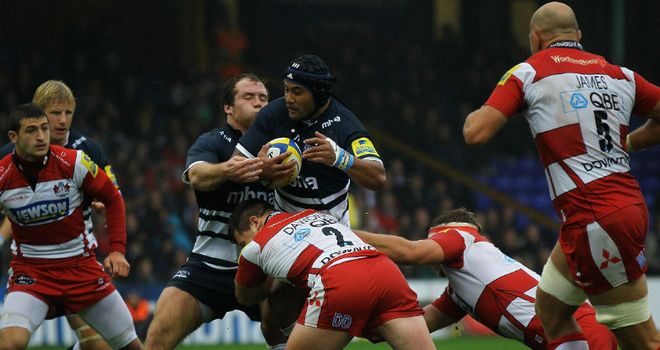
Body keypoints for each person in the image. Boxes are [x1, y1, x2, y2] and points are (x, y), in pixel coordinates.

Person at [462, 2, 660, 349]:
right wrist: (627, 141)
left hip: (595, 219)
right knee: (551, 309)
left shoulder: (530, 72)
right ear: (579, 36)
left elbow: (475, 133)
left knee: (641, 341)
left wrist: (491, 99)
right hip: (620, 206)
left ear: (536, 39)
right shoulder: (620, 75)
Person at [145, 74, 294, 350]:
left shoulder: (283, 148)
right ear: (228, 107)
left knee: (287, 337)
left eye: (263, 98)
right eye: (248, 97)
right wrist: (230, 169)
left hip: (266, 267)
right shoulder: (213, 142)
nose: (258, 103)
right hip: (207, 267)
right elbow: (198, 176)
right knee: (156, 338)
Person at [355, 208, 618, 350]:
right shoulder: (459, 292)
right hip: (576, 332)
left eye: (432, 239)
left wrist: (344, 233)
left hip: (578, 334)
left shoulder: (460, 238)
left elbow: (408, 252)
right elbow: (410, 329)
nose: (432, 246)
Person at [0, 103, 141, 350]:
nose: (41, 136)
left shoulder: (74, 161)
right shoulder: (2, 174)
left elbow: (113, 197)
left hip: (81, 269)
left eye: (44, 128)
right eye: (32, 130)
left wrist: (117, 250)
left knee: (130, 347)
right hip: (31, 273)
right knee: (10, 344)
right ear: (14, 137)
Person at [229, 198, 435, 350]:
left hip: (340, 280)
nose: (243, 247)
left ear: (255, 222)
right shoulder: (317, 215)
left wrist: (276, 280)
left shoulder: (254, 248)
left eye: (242, 242)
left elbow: (245, 297)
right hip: (387, 272)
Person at [235, 54, 386, 226]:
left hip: (331, 228)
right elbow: (235, 162)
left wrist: (340, 158)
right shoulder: (273, 114)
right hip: (283, 224)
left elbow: (378, 178)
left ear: (319, 94)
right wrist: (260, 169)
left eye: (297, 92)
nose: (289, 99)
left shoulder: (345, 124)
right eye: (286, 89)